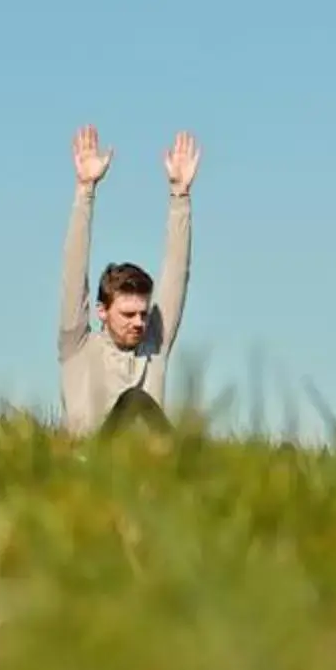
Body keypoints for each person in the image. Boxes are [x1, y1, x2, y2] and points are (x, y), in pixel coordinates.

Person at [58, 124, 198, 436]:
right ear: (102, 311)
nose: (138, 323)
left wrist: (180, 197)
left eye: (143, 314)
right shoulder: (77, 346)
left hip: (144, 471)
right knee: (135, 399)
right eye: (128, 314)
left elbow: (177, 275)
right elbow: (73, 273)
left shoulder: (153, 350)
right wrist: (85, 192)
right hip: (90, 463)